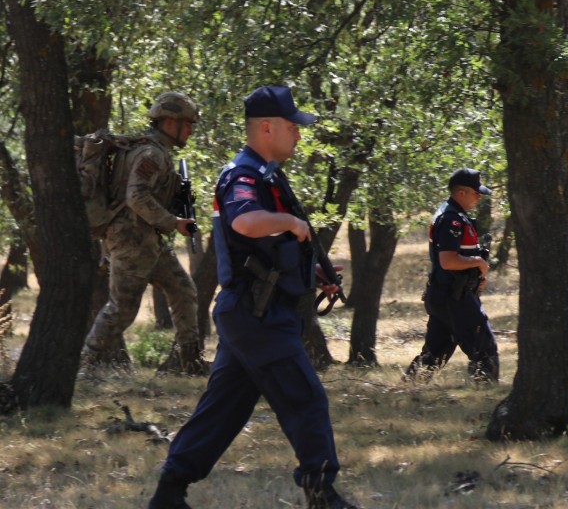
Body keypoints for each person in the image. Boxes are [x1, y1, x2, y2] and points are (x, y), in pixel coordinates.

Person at [147, 86, 359, 509]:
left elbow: (265, 246)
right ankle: (322, 494)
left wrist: (313, 270)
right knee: (306, 397)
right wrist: (291, 223)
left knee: (222, 411)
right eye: (291, 126)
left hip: (254, 312)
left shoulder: (268, 174)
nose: (299, 134)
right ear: (266, 127)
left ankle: (169, 492)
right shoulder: (242, 175)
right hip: (256, 315)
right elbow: (245, 222)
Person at [82, 91, 206, 375]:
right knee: (122, 309)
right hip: (131, 241)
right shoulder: (151, 153)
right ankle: (84, 366)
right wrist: (173, 221)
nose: (190, 130)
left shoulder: (155, 151)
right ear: (169, 122)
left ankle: (191, 362)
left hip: (148, 240)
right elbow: (136, 197)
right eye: (187, 123)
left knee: (183, 290)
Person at [404, 168, 500, 384]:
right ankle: (486, 395)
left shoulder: (453, 214)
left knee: (434, 355)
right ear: (462, 193)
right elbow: (447, 261)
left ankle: (406, 390)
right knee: (484, 348)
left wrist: (477, 275)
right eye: (476, 193)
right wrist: (477, 263)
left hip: (446, 294)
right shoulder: (451, 219)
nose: (479, 198)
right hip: (454, 297)